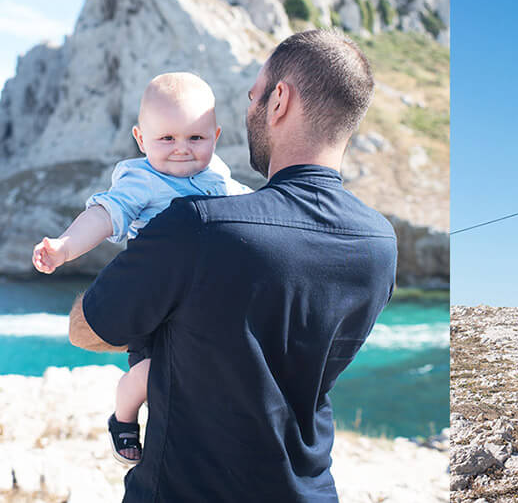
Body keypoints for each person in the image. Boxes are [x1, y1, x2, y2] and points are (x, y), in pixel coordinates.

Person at [68, 28, 397, 502]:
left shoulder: (199, 225)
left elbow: (88, 328)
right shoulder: (380, 244)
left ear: (279, 100)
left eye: (252, 96)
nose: (249, 111)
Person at [33, 72, 251, 465]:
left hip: (203, 301)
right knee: (153, 371)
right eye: (166, 138)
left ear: (215, 136)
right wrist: (65, 248)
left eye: (195, 138)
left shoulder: (218, 176)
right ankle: (124, 417)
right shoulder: (142, 180)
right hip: (157, 300)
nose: (182, 149)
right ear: (140, 138)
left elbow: (252, 208)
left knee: (205, 373)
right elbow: (104, 215)